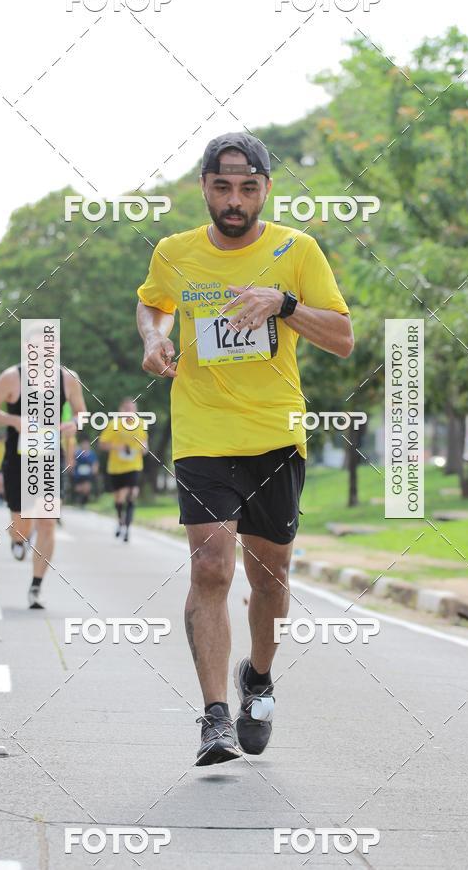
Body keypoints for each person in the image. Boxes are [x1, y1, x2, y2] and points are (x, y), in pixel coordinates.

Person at [136, 133, 353, 766]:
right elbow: (152, 306)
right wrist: (153, 338)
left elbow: (342, 337)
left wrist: (283, 304)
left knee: (270, 578)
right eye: (223, 187)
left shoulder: (296, 250)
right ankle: (214, 718)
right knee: (211, 567)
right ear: (204, 187)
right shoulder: (175, 252)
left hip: (275, 436)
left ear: (265, 190)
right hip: (202, 435)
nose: (235, 200)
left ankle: (256, 676)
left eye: (248, 188)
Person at [0, 358, 86, 608]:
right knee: (21, 524)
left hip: (50, 457)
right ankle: (18, 539)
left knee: (47, 522)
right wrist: (14, 421)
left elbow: (82, 414)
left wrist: (73, 424)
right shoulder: (12, 376)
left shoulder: (67, 378)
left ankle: (36, 586)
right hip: (17, 459)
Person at [98, 398, 148, 542]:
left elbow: (145, 445)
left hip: (134, 466)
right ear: (121, 410)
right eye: (126, 409)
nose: (129, 412)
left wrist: (144, 449)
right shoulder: (113, 425)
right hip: (116, 468)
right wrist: (117, 447)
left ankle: (127, 527)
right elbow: (102, 444)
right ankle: (120, 521)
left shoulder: (141, 424)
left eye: (132, 409)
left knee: (132, 494)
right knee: (119, 498)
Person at [72, 435, 99, 506]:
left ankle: (84, 502)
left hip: (88, 474)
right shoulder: (77, 453)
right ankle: (78, 500)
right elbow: (73, 462)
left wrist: (95, 470)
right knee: (78, 488)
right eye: (84, 444)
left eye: (86, 444)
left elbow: (95, 463)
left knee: (87, 488)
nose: (85, 445)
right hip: (78, 474)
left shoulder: (92, 454)